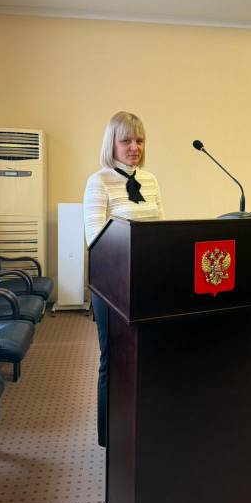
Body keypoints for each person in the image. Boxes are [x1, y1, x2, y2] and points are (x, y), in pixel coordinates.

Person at [83, 111, 164, 447]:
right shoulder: (98, 182)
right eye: (127, 140)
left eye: (139, 140)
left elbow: (161, 230)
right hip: (112, 288)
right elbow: (95, 240)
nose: (134, 147)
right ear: (112, 143)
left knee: (146, 356)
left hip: (148, 283)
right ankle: (109, 436)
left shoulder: (151, 180)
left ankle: (142, 425)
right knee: (113, 359)